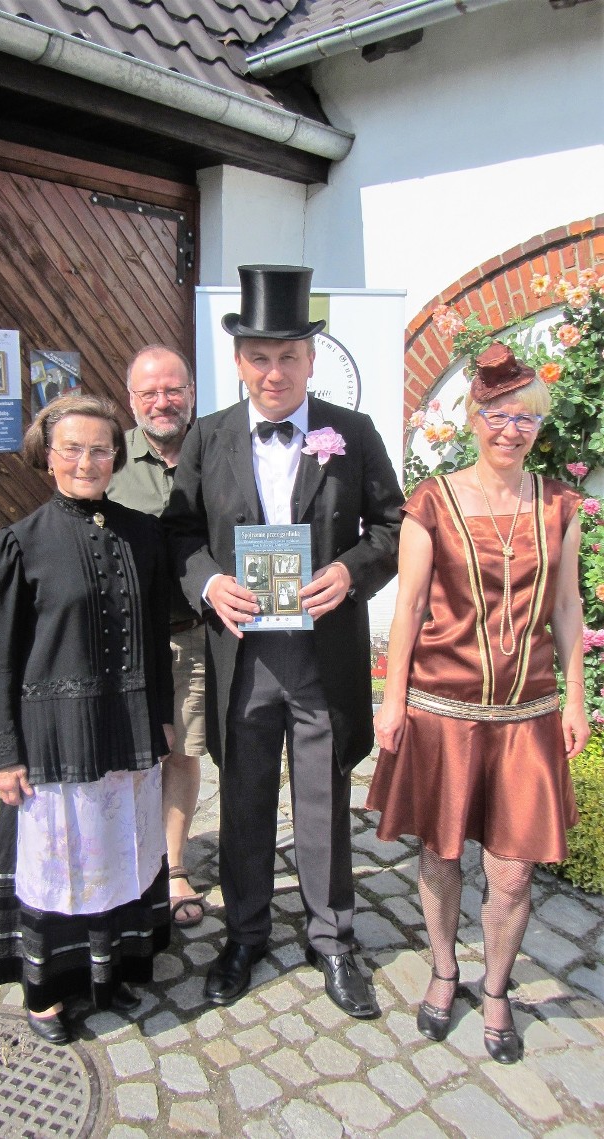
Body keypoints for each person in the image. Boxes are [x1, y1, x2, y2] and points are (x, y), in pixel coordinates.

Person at [164, 264, 403, 1017]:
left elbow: (395, 526)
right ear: (240, 362)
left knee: (325, 793)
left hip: (320, 652)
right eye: (260, 357)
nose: (274, 372)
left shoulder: (352, 433)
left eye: (289, 357)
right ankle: (245, 932)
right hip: (242, 653)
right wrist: (207, 582)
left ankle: (332, 937)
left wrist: (351, 570)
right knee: (243, 795)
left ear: (311, 358)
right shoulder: (207, 438)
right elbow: (179, 532)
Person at [368, 342, 589, 1064]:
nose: (510, 428)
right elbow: (407, 612)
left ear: (537, 424)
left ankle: (495, 989)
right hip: (442, 711)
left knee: (514, 869)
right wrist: (392, 700)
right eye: (497, 413)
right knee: (439, 852)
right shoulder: (430, 500)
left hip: (527, 717)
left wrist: (575, 700)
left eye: (524, 416)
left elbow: (566, 609)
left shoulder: (560, 504)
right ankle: (442, 966)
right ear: (472, 416)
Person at [0, 394, 174, 1045]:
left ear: (116, 456)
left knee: (120, 855)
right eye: (73, 448)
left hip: (128, 728)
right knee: (63, 864)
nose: (88, 460)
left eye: (100, 448)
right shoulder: (19, 544)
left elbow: (154, 638)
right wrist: (4, 753)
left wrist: (164, 720)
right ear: (48, 455)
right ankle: (47, 993)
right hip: (55, 738)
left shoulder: (143, 533)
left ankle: (107, 973)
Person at [108, 345, 206, 928]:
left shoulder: (218, 449)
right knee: (125, 757)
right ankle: (122, 865)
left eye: (173, 390)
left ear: (191, 391)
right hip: (125, 640)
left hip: (193, 634)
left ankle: (172, 868)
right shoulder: (112, 455)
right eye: (149, 393)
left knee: (183, 750)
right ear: (132, 399)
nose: (162, 402)